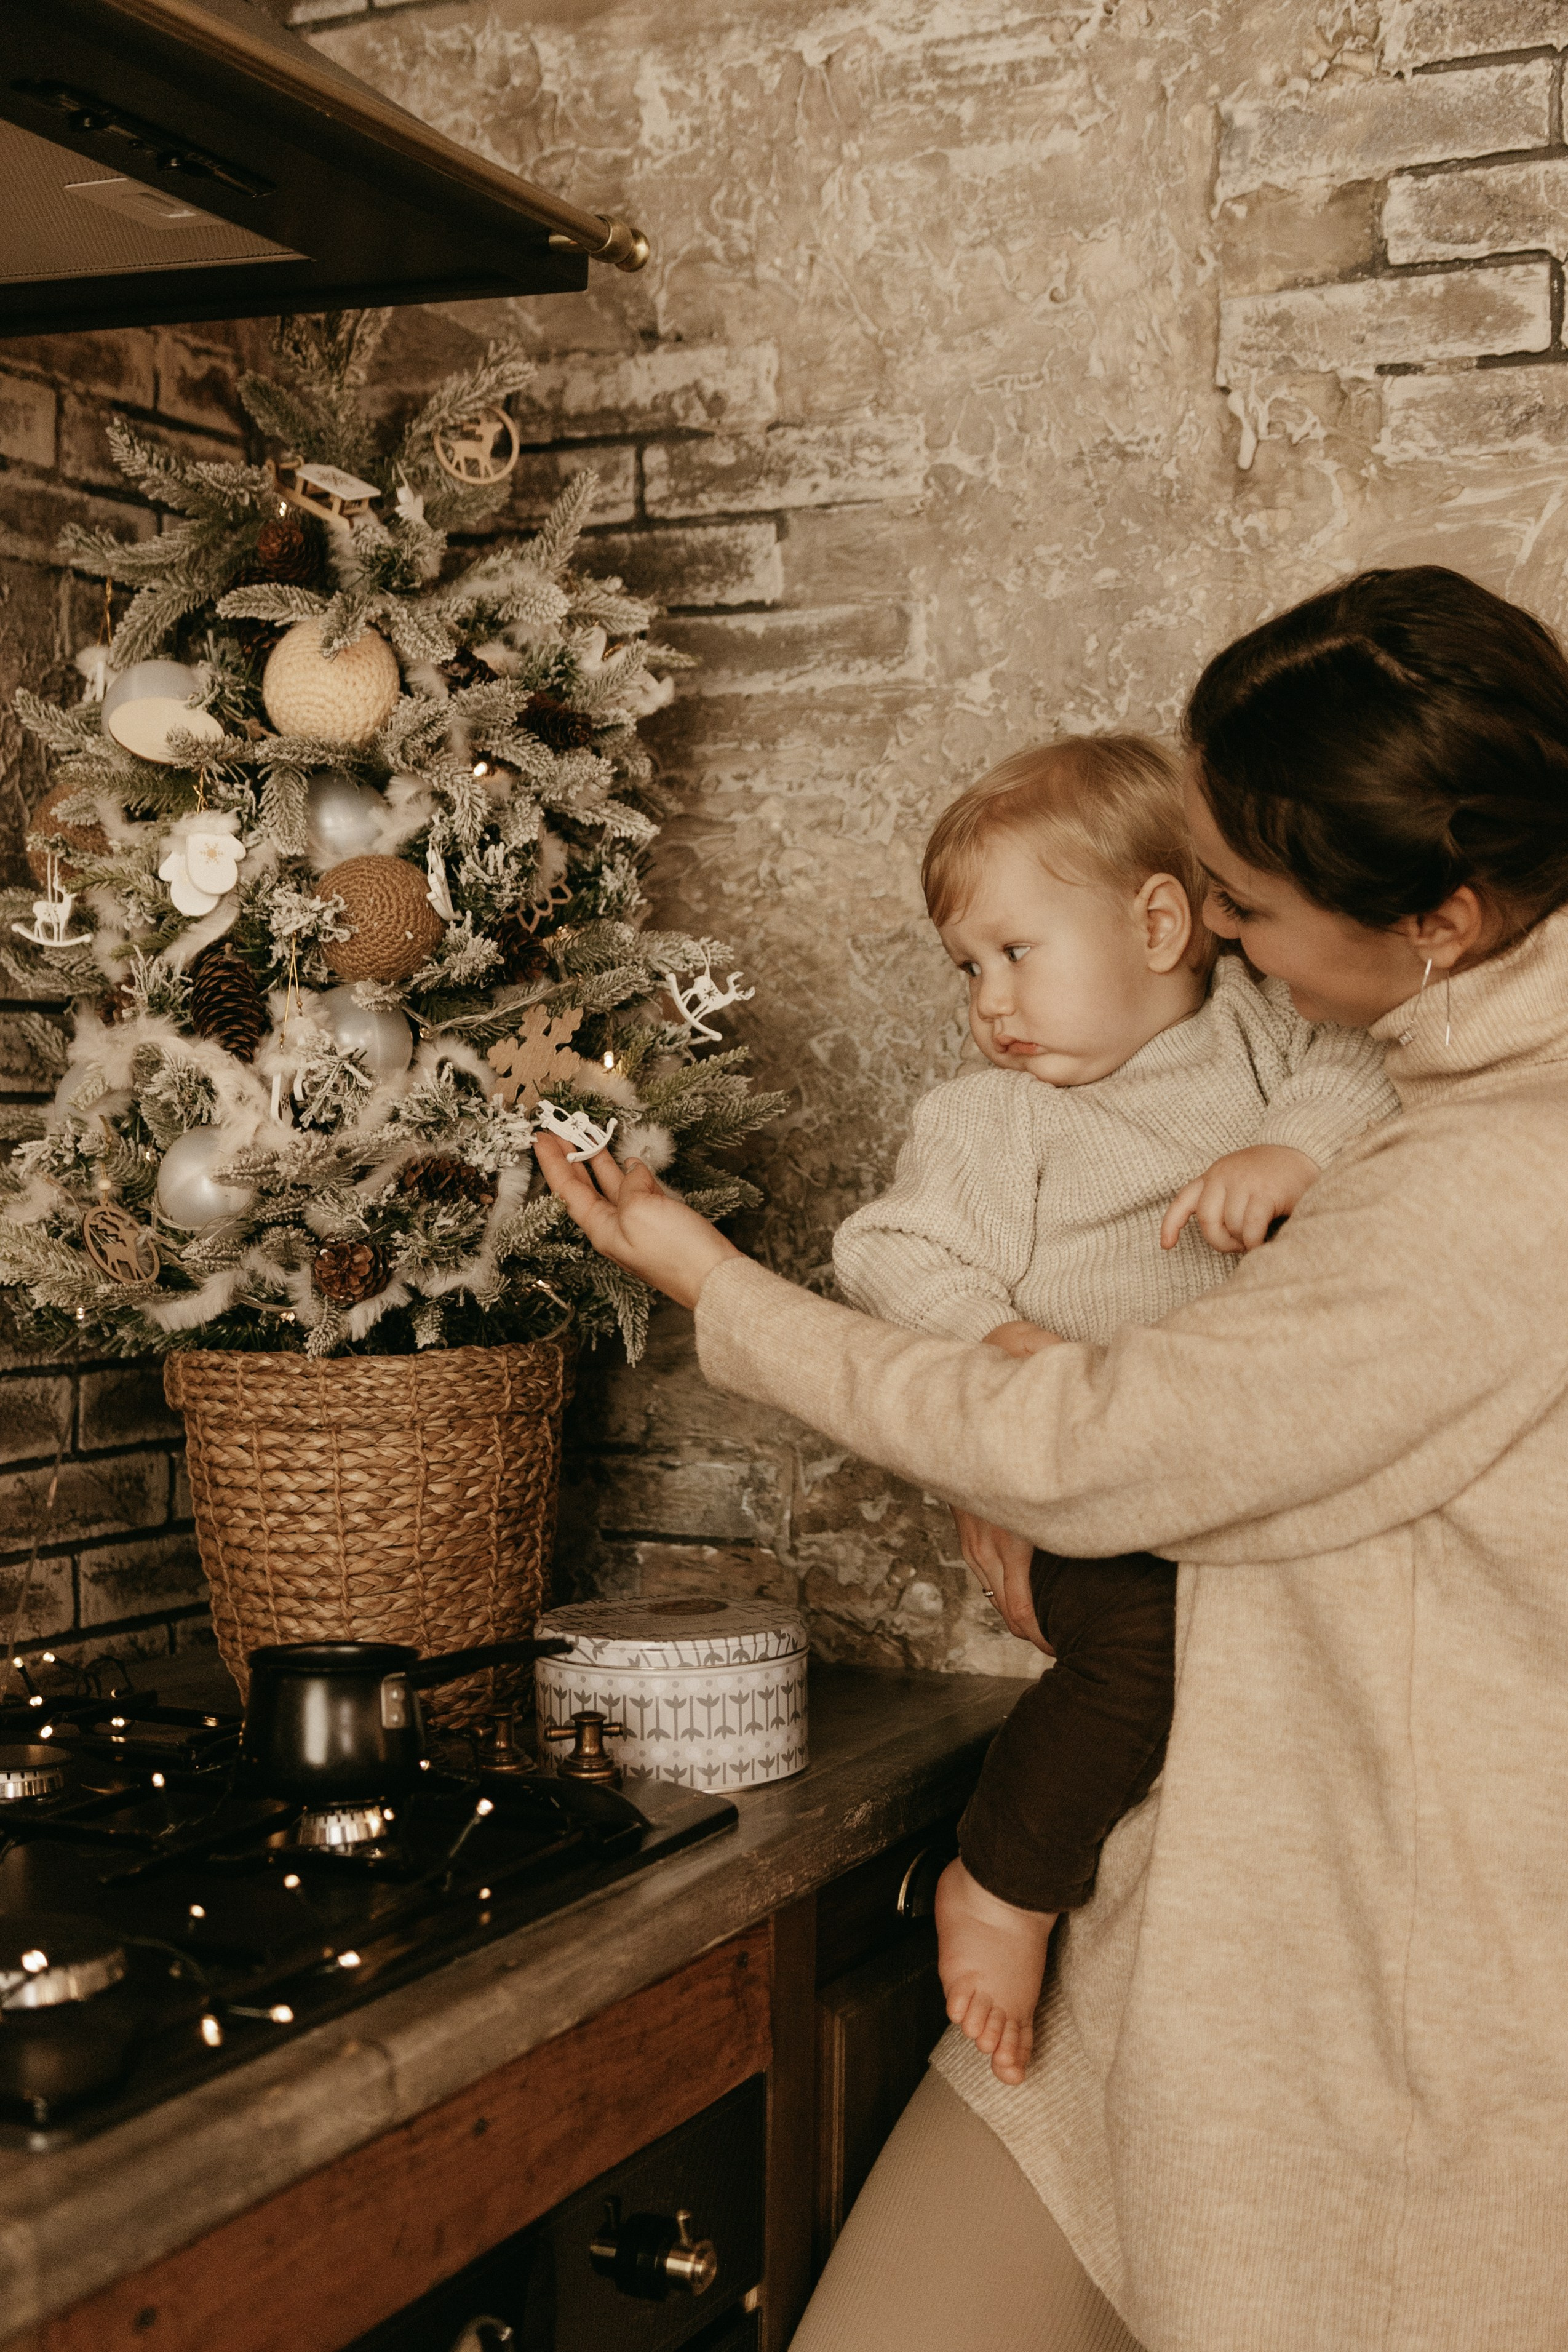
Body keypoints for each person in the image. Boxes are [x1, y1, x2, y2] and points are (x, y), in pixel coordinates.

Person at [536, 565, 1568, 2352]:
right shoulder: (1417, 1092)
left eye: (1244, 909)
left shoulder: (1487, 1187)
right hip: (1184, 1929)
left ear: (1444, 918)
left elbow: (1100, 1447)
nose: (1225, 948)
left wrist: (706, 1275)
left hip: (1360, 2026)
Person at [832, 733, 1395, 2085]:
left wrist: (1286, 1151)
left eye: (1018, 953)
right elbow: (885, 1254)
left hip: (1245, 1468)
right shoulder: (990, 1119)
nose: (988, 1000)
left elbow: (1373, 1069)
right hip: (1090, 1489)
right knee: (1144, 1647)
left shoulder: (1265, 1029)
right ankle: (1004, 1880)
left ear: (1158, 922)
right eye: (968, 967)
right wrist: (1012, 1347)